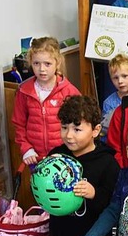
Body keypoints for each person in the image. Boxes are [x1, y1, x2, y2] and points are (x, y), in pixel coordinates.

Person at [47, 95, 120, 236]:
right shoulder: (56, 156)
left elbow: (113, 205)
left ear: (96, 130)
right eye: (64, 127)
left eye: (77, 129)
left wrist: (93, 193)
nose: (69, 135)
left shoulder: (107, 163)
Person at [12, 37, 80, 165]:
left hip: (64, 158)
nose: (42, 69)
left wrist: (70, 150)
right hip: (35, 157)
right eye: (36, 63)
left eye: (47, 64)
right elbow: (19, 124)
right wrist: (26, 149)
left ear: (57, 63)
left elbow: (80, 125)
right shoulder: (24, 91)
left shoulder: (69, 91)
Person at [100, 53, 128, 142]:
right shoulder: (109, 103)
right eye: (115, 78)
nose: (120, 81)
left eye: (124, 76)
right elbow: (104, 132)